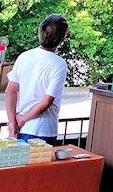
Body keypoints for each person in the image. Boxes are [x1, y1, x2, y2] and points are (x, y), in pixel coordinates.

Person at [5, 14, 69, 145]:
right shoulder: (59, 64)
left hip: (20, 129)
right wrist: (22, 119)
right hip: (43, 130)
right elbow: (46, 102)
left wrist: (13, 122)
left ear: (40, 33)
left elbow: (10, 91)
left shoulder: (24, 56)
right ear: (62, 38)